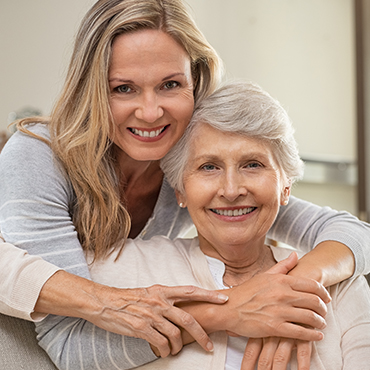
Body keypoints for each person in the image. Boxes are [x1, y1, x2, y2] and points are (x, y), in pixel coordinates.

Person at [0, 0, 369, 368]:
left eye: (170, 85)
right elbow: (69, 345)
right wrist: (229, 309)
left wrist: (289, 290)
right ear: (92, 88)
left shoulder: (185, 158)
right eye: (123, 88)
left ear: (197, 80)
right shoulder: (39, 153)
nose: (150, 111)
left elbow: (346, 231)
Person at [86, 81, 370, 369]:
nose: (231, 190)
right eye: (209, 167)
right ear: (180, 191)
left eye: (253, 165)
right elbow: (75, 352)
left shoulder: (340, 284)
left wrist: (297, 290)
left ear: (286, 187)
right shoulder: (122, 267)